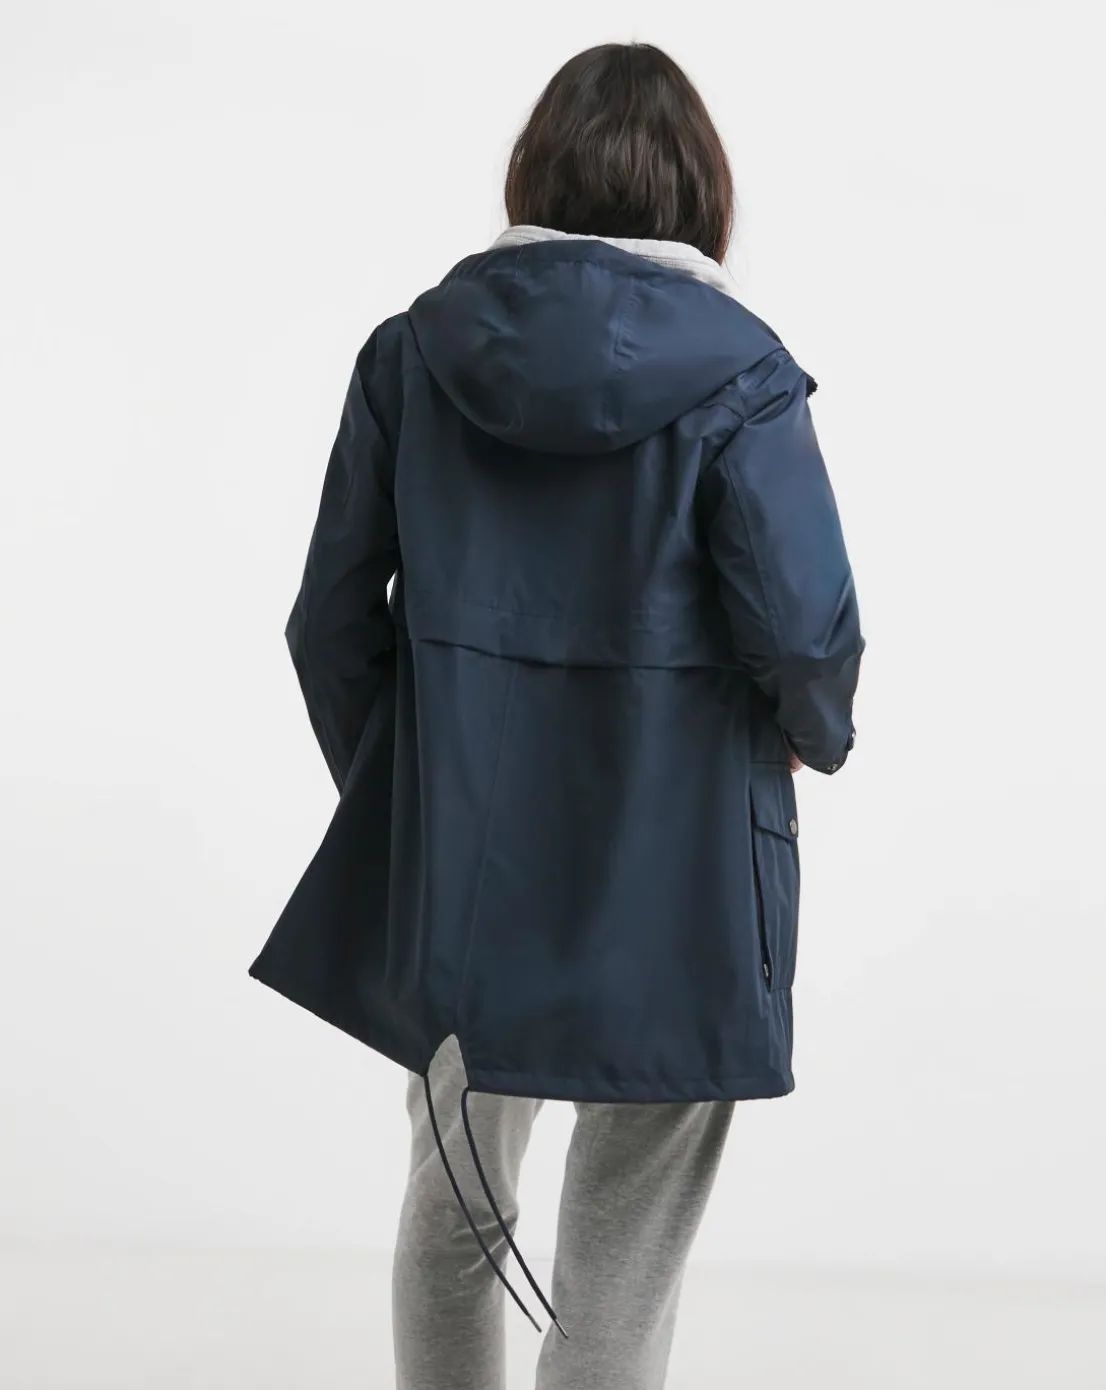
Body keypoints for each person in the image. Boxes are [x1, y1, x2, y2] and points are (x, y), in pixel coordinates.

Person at [250, 41, 863, 1390]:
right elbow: (807, 634)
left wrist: (410, 790)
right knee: (621, 1261)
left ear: (533, 173)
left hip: (468, 867)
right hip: (684, 882)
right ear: (700, 192)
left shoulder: (412, 355)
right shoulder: (744, 376)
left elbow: (328, 622)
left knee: (454, 1209)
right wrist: (816, 736)